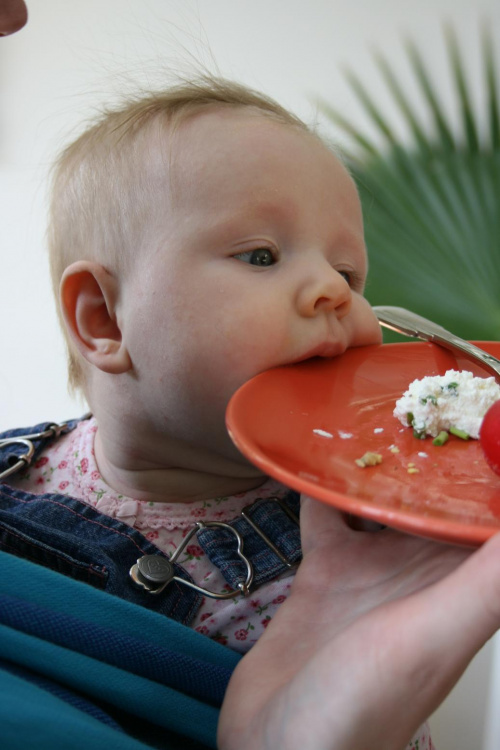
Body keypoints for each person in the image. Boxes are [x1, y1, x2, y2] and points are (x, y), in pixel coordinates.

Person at [3, 4, 500, 750]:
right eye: (263, 256)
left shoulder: (364, 541)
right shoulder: (15, 470)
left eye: (347, 270)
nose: (335, 293)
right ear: (104, 319)